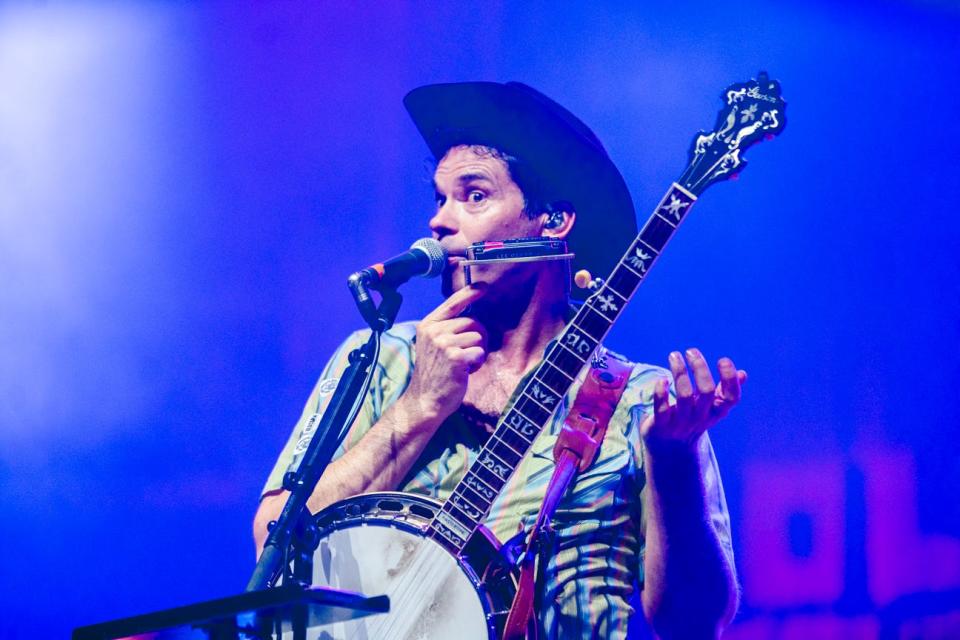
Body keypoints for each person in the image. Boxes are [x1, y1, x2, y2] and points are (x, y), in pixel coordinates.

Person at [254, 82, 745, 639]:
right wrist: (418, 406)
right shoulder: (382, 358)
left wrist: (672, 459)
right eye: (439, 198)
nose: (440, 221)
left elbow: (694, 622)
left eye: (474, 195)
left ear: (553, 221)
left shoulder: (643, 404)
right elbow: (271, 544)